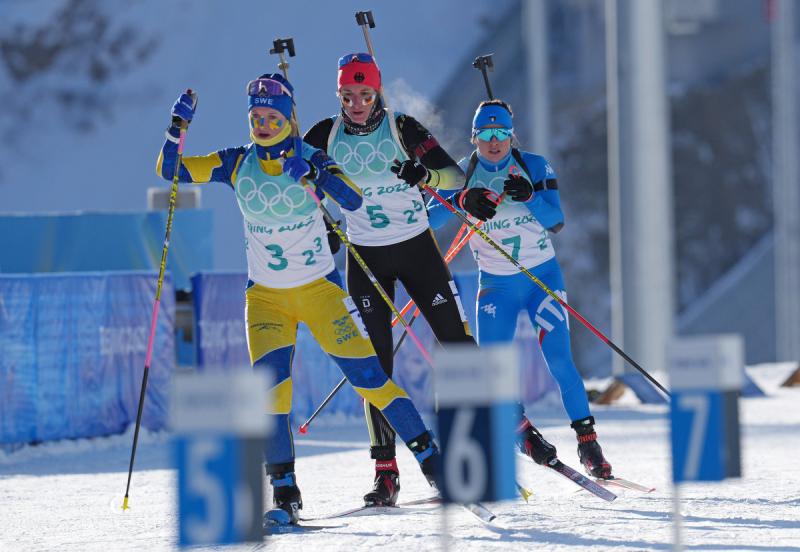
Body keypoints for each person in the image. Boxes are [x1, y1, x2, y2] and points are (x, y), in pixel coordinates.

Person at [156, 74, 439, 525]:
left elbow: (354, 200)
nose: (264, 125)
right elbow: (171, 171)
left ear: (289, 119)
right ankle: (285, 493)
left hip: (320, 293)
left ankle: (432, 463)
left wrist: (316, 175)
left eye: (273, 118)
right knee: (271, 396)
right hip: (266, 300)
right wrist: (177, 128)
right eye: (257, 117)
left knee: (371, 380)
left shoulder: (311, 156)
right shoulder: (236, 162)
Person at [304, 53, 479, 507]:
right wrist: (322, 224)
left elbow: (453, 177)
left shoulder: (403, 129)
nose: (356, 104)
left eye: (365, 95)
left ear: (377, 92)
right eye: (348, 96)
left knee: (458, 346)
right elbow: (301, 191)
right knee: (374, 368)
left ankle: (468, 453)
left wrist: (424, 174)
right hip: (366, 259)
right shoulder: (323, 136)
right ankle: (386, 473)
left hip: (417, 251)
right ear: (338, 95)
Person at [427, 99, 613, 478]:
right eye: (486, 134)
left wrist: (530, 197)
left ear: (512, 136)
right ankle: (524, 434)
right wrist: (461, 199)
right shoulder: (463, 173)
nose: (494, 142)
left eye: (502, 133)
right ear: (474, 138)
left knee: (559, 359)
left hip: (541, 280)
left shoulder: (533, 166)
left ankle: (589, 444)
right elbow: (429, 219)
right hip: (496, 287)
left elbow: (556, 221)